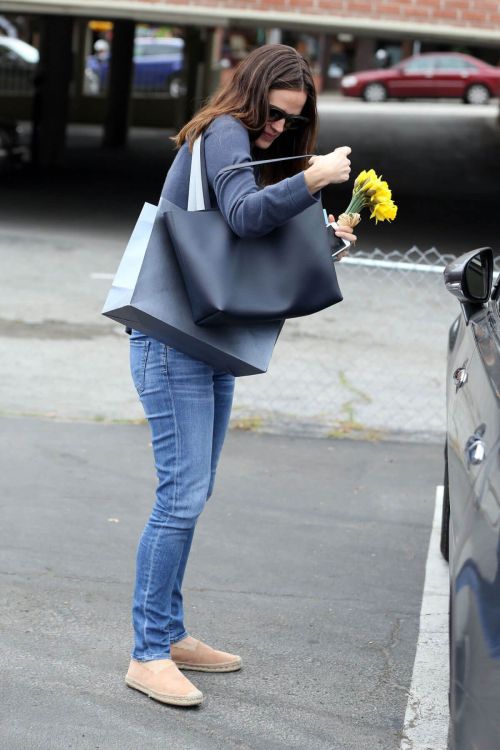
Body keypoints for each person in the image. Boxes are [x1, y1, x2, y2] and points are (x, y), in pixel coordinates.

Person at [125, 43, 356, 707]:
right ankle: (145, 652)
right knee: (182, 495)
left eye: (290, 122)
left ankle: (167, 633)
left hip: (205, 341)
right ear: (251, 95)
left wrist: (326, 236)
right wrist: (314, 178)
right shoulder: (224, 131)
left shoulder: (244, 143)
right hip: (172, 340)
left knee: (192, 493)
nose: (278, 129)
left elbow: (247, 246)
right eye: (275, 115)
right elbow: (246, 215)